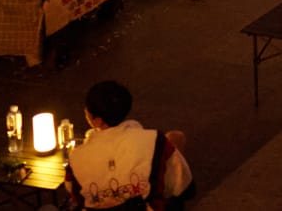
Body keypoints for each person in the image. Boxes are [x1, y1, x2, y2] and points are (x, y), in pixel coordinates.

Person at [68, 79, 193, 209]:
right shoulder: (154, 140)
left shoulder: (76, 158)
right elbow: (184, 186)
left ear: (97, 120)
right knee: (175, 138)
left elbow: (75, 194)